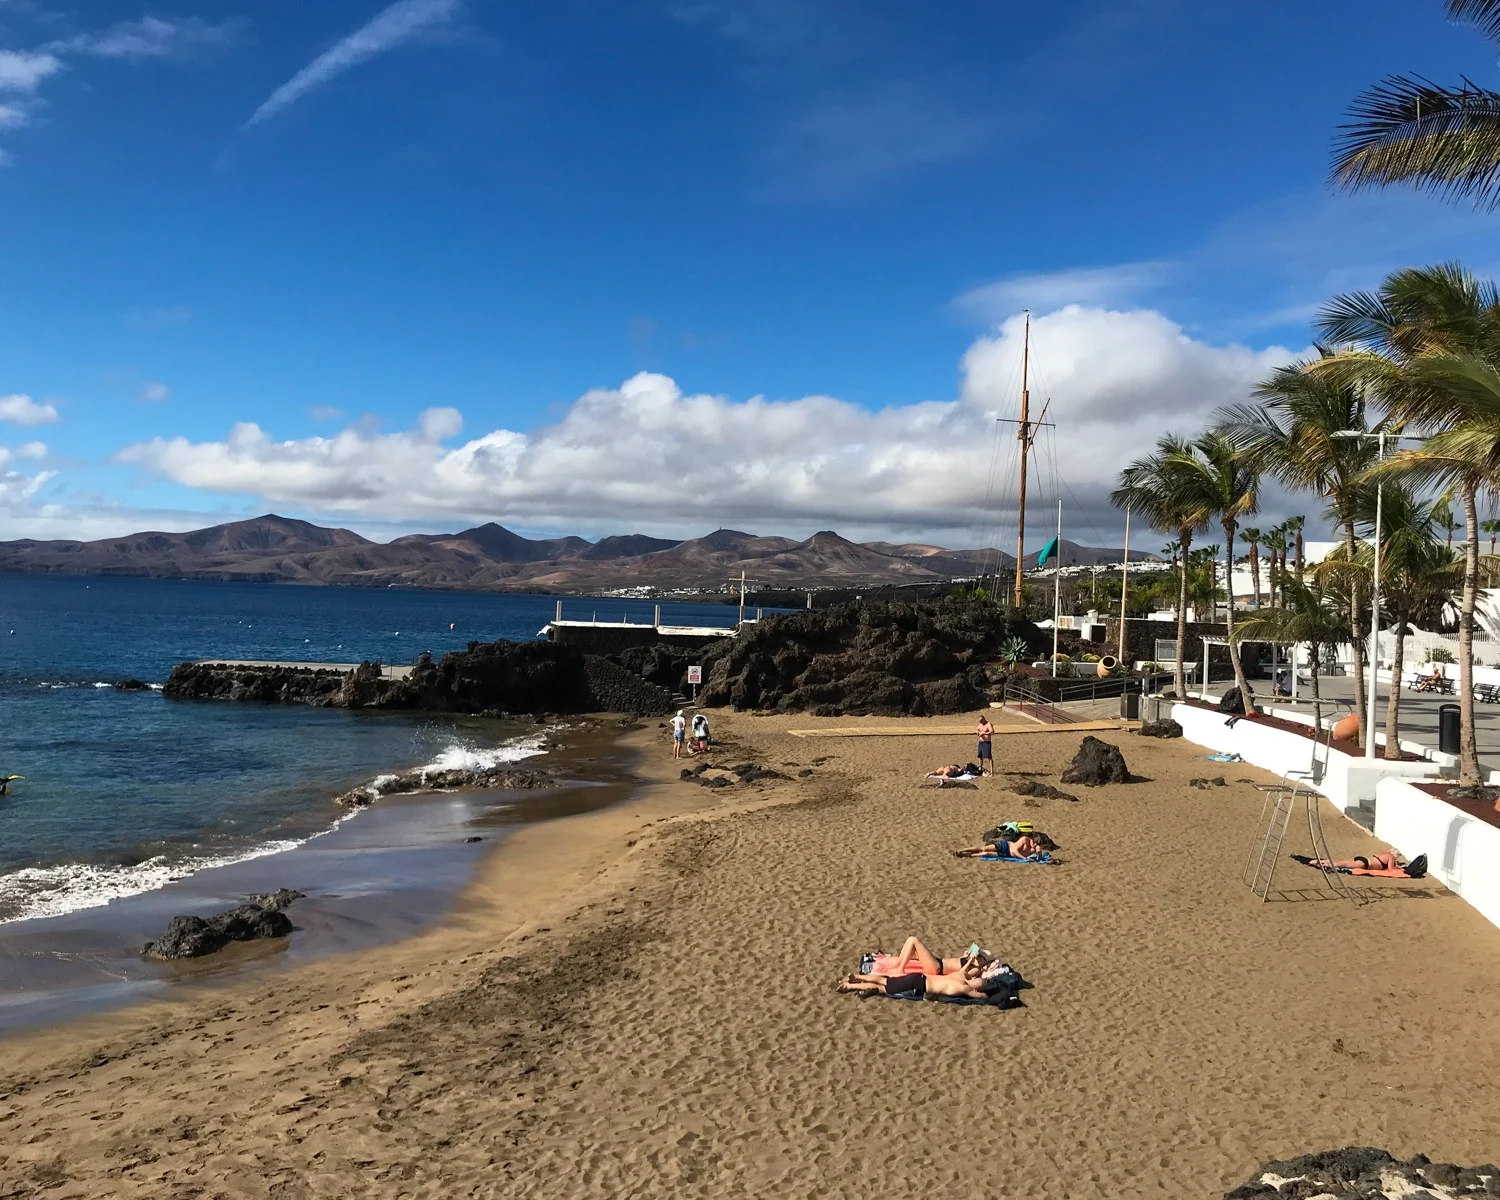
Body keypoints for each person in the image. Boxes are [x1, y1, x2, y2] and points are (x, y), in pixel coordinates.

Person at [952, 831, 1057, 859]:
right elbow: (1015, 851)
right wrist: (1024, 858)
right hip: (1005, 846)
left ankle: (967, 855)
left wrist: (1038, 853)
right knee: (982, 848)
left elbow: (1038, 858)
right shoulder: (1025, 840)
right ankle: (961, 850)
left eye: (1037, 844)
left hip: (1006, 854)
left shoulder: (1034, 850)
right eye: (1035, 842)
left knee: (985, 854)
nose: (1035, 844)